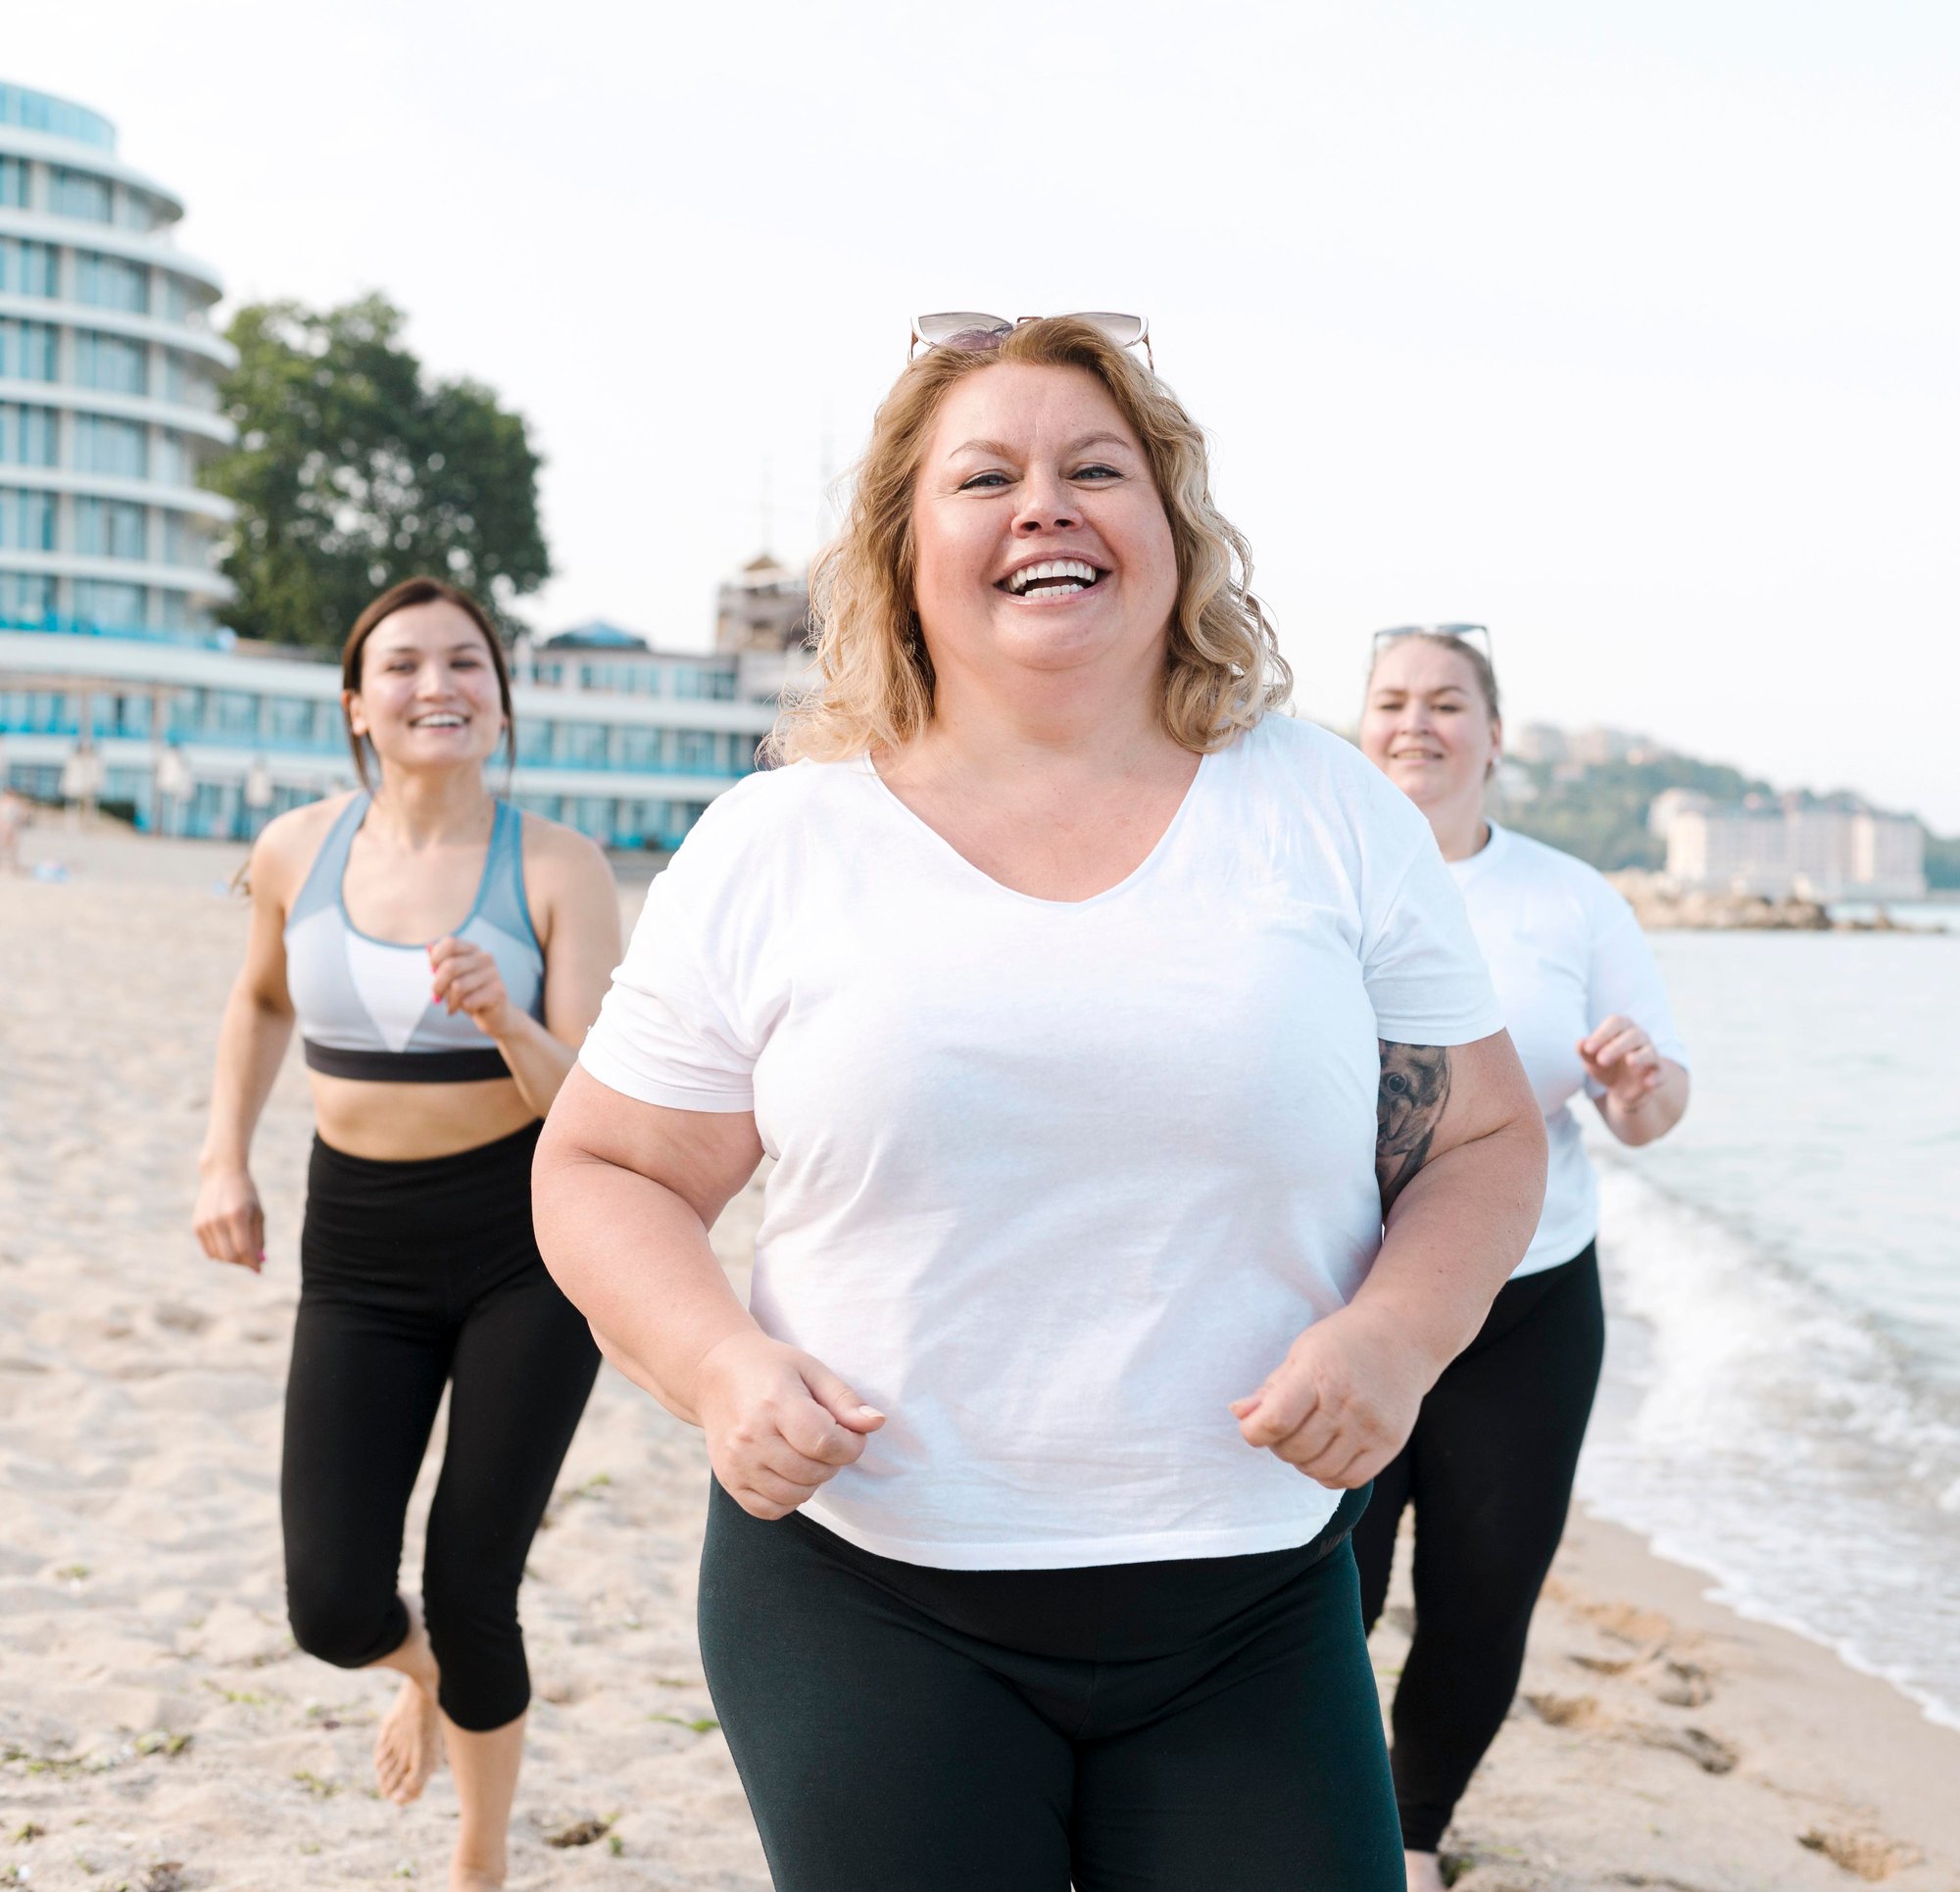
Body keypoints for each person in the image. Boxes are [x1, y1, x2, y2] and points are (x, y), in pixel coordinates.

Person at [533, 317, 1549, 1891]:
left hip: (1255, 1595)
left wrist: (1396, 1339)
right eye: (983, 477)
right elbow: (606, 1168)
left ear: (1172, 526)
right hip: (870, 1589)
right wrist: (716, 1366)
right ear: (904, 548)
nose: (1045, 507)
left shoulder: (1324, 807)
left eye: (1096, 469)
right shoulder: (779, 844)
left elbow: (1481, 1137)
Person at [192, 576, 620, 1892]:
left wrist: (507, 1017)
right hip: (357, 1249)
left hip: (527, 1247)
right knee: (331, 1604)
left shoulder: (557, 867)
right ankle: (421, 1677)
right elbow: (261, 1002)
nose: (438, 685)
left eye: (466, 662)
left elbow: (591, 1106)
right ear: (357, 705)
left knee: (473, 1580)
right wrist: (224, 1158)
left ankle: (478, 1863)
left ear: (501, 698)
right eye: (404, 665)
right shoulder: (294, 849)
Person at [1353, 626, 1690, 1889]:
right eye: (1393, 700)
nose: (1417, 723)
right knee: (1325, 1582)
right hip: (1346, 1288)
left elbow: (1655, 1109)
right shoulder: (1322, 873)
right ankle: (1320, 1805)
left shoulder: (1570, 898)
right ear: (1361, 727)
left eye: (1448, 702)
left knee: (1483, 1590)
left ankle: (1411, 1833)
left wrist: (1637, 1085)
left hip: (1529, 1297)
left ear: (1494, 736)